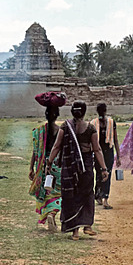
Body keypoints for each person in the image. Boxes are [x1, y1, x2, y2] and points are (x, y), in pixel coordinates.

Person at [46, 101, 110, 240]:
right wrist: (104, 168)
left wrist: (49, 162)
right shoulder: (90, 129)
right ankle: (87, 226)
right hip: (85, 167)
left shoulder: (65, 126)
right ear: (85, 112)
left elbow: (57, 146)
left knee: (71, 196)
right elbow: (97, 149)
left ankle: (75, 232)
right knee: (87, 194)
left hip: (69, 168)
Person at [28, 92, 66, 231]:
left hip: (43, 166)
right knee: (59, 193)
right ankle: (52, 213)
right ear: (57, 115)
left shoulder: (39, 131)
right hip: (56, 165)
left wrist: (31, 168)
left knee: (46, 192)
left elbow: (35, 151)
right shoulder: (61, 130)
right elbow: (61, 149)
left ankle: (49, 214)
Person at [92, 102, 120, 209]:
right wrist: (119, 156)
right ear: (105, 110)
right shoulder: (94, 123)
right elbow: (116, 140)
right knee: (101, 174)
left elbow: (115, 140)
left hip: (105, 152)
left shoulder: (110, 123)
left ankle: (104, 198)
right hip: (101, 152)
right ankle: (100, 196)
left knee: (104, 174)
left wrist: (118, 155)